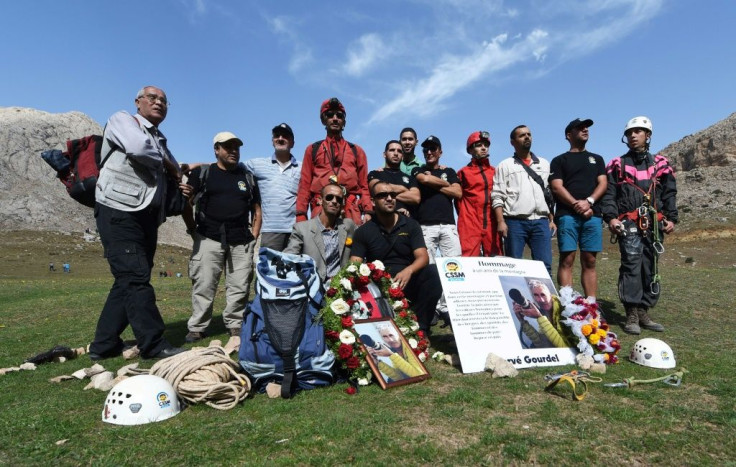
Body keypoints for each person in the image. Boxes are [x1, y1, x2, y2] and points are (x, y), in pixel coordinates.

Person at [90, 85, 187, 360]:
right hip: (118, 210)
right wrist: (171, 167)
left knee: (131, 278)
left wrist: (180, 180)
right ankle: (153, 343)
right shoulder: (123, 120)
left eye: (164, 101)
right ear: (138, 101)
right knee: (134, 278)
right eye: (152, 98)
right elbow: (138, 148)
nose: (159, 103)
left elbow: (175, 172)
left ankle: (103, 344)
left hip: (145, 215)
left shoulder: (161, 138)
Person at [182, 131, 261, 343]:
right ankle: (198, 326)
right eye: (228, 147)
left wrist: (253, 237)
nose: (233, 151)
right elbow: (186, 203)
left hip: (241, 240)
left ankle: (235, 324)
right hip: (208, 237)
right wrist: (193, 231)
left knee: (240, 285)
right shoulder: (203, 173)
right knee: (204, 284)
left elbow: (257, 210)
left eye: (236, 147)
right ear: (216, 149)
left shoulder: (247, 177)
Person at [601, 116, 677, 335]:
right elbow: (609, 194)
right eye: (629, 133)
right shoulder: (616, 164)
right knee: (631, 265)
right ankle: (631, 313)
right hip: (628, 223)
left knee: (650, 265)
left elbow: (669, 193)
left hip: (654, 223)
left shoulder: (661, 164)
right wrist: (612, 218)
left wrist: (671, 218)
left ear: (648, 135)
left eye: (638, 131)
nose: (633, 135)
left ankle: (644, 310)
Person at [349, 181, 442, 336]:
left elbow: (423, 257)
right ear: (373, 201)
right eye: (383, 195)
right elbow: (354, 264)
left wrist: (409, 270)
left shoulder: (411, 225)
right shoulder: (363, 232)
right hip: (379, 286)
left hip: (408, 281)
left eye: (393, 194)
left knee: (434, 272)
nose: (389, 198)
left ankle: (421, 328)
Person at [549, 118, 607, 300]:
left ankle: (591, 304)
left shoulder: (597, 159)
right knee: (567, 259)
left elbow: (603, 183)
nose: (585, 130)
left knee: (590, 260)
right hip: (567, 216)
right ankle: (568, 304)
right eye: (580, 128)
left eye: (586, 128)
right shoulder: (559, 160)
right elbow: (557, 186)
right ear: (569, 135)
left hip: (593, 216)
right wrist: (577, 205)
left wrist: (589, 202)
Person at [296, 98, 371, 225]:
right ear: (323, 120)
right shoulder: (313, 149)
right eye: (330, 115)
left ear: (344, 122)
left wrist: (368, 211)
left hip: (350, 211)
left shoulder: (357, 151)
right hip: (321, 209)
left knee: (351, 244)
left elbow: (364, 185)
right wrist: (301, 215)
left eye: (339, 115)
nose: (335, 118)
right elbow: (305, 185)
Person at [411, 135, 462, 325]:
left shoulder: (449, 170)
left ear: (440, 151)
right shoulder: (418, 169)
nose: (429, 152)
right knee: (430, 270)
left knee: (454, 268)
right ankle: (432, 309)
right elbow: (422, 178)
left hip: (448, 225)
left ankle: (447, 308)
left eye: (433, 149)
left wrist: (433, 183)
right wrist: (444, 183)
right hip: (425, 226)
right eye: (426, 150)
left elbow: (457, 193)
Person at [492, 125, 556, 274]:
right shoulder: (504, 165)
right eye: (521, 135)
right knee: (514, 267)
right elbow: (497, 195)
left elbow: (549, 195)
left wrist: (551, 219)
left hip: (541, 220)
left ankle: (546, 297)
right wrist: (501, 222)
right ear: (512, 142)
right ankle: (515, 297)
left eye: (529, 134)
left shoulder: (544, 163)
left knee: (544, 266)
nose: (527, 137)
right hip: (515, 222)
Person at [242, 123, 300, 251]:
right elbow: (228, 165)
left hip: (296, 232)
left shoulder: (302, 168)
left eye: (285, 136)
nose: (280, 138)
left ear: (292, 143)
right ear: (272, 141)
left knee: (293, 270)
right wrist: (193, 166)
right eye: (276, 136)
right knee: (269, 270)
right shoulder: (258, 165)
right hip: (270, 231)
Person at [284, 182, 356, 284]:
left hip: (341, 286)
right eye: (329, 197)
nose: (334, 201)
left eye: (339, 199)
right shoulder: (302, 229)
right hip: (312, 286)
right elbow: (288, 257)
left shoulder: (348, 226)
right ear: (320, 200)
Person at [457, 131, 501, 256]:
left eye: (486, 145)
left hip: (492, 222)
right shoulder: (463, 173)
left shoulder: (495, 171)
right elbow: (458, 200)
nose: (483, 148)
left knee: (496, 261)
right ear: (470, 150)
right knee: (468, 261)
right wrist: (466, 216)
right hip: (469, 222)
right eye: (479, 145)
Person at [367, 140, 420, 218]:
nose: (396, 153)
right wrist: (404, 189)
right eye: (392, 150)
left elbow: (416, 198)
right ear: (384, 154)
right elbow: (375, 188)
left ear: (402, 156)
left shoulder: (410, 178)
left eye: (399, 151)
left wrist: (384, 193)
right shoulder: (375, 174)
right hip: (381, 224)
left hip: (406, 223)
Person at [512, 279, 571, 348]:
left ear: (550, 295)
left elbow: (564, 347)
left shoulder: (565, 309)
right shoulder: (544, 312)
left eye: (543, 295)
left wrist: (540, 317)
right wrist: (522, 321)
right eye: (536, 295)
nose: (541, 300)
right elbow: (543, 344)